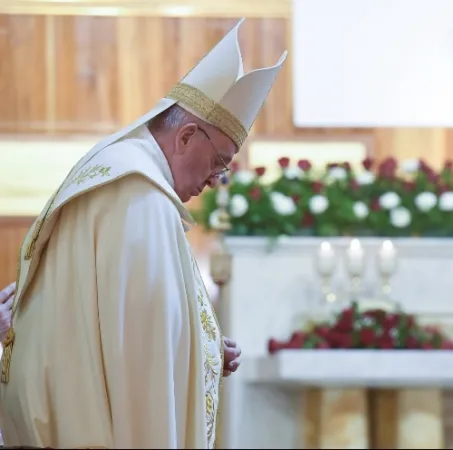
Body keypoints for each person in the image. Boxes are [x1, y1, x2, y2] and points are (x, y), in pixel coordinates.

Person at [0, 18, 286, 449]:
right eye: (218, 163)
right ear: (187, 136)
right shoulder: (140, 198)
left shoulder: (117, 174)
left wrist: (205, 347)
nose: (214, 179)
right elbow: (142, 355)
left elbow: (123, 324)